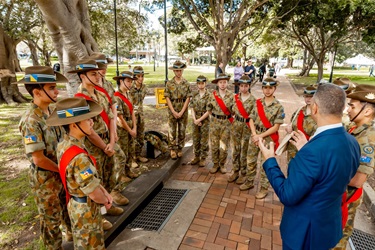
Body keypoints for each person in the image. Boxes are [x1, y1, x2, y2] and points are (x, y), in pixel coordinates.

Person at [258, 83, 360, 250]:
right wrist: (307, 149)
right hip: (328, 227)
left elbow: (287, 195)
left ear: (314, 108)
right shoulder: (352, 142)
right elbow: (332, 174)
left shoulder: (312, 152)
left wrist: (270, 161)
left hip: (304, 234)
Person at [68, 59, 128, 229]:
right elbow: (89, 129)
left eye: (98, 72)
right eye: (93, 73)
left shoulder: (100, 94)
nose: (98, 76)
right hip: (93, 144)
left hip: (107, 140)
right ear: (82, 76)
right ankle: (99, 215)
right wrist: (104, 146)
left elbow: (110, 117)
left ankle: (108, 203)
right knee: (96, 178)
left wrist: (112, 140)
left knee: (110, 171)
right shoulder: (79, 99)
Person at [17, 66, 72, 248]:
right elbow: (38, 159)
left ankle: (71, 236)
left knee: (66, 210)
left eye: (55, 87)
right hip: (45, 179)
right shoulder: (31, 120)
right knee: (51, 222)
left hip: (59, 171)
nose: (57, 91)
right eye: (51, 88)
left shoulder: (52, 111)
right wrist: (62, 170)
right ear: (37, 92)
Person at [46, 97, 112, 250]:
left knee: (82, 243)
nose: (92, 122)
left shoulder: (64, 144)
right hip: (86, 210)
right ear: (74, 125)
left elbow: (89, 181)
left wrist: (104, 190)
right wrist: (105, 200)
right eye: (87, 119)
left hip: (76, 204)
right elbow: (94, 193)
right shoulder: (80, 157)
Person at [333, 84, 375, 249]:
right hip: (340, 194)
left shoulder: (368, 139)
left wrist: (325, 172)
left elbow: (358, 180)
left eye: (352, 106)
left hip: (347, 198)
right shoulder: (356, 129)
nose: (347, 110)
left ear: (367, 111)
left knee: (337, 240)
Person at [240, 78, 285, 199]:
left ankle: (264, 188)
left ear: (274, 89)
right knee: (251, 160)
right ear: (262, 89)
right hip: (255, 136)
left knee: (265, 164)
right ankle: (249, 182)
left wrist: (260, 136)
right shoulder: (257, 102)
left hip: (268, 138)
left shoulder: (278, 107)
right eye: (265, 87)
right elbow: (251, 119)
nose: (268, 90)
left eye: (270, 88)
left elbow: (276, 127)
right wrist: (254, 134)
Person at [228, 75, 256, 184]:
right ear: (239, 86)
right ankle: (235, 171)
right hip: (236, 125)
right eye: (242, 86)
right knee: (235, 149)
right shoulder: (235, 98)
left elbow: (254, 116)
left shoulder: (253, 100)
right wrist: (232, 119)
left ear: (249, 86)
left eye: (246, 86)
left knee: (244, 150)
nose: (243, 88)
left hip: (247, 127)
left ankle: (243, 173)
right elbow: (229, 110)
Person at [164, 60, 192, 159]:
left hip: (183, 109)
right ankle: (172, 149)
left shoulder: (186, 83)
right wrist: (173, 111)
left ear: (182, 71)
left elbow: (188, 98)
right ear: (174, 71)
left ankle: (180, 148)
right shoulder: (169, 83)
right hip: (172, 108)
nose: (178, 72)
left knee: (182, 130)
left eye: (180, 70)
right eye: (176, 71)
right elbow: (167, 97)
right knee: (172, 130)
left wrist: (181, 112)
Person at [207, 73, 234, 174]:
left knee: (224, 146)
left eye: (224, 82)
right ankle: (215, 164)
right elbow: (209, 109)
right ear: (217, 84)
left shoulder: (231, 96)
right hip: (214, 123)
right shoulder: (212, 95)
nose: (223, 84)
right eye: (221, 82)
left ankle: (222, 164)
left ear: (227, 83)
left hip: (226, 123)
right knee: (214, 144)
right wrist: (215, 118)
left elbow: (233, 111)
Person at [113, 71, 138, 176]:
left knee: (130, 150)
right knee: (123, 150)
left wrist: (135, 127)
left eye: (131, 82)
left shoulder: (128, 94)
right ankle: (121, 175)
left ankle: (128, 171)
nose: (130, 84)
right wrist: (130, 130)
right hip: (123, 128)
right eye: (128, 81)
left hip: (131, 125)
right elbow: (120, 118)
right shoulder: (116, 97)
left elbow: (132, 111)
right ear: (121, 81)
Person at [285, 86, 317, 161]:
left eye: (311, 96)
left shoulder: (319, 114)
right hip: (293, 150)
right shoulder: (299, 111)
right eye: (306, 96)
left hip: (308, 150)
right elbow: (291, 123)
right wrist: (288, 128)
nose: (308, 99)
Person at [189, 75, 211, 167]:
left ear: (205, 84)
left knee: (204, 139)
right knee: (196, 138)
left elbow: (209, 110)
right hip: (195, 119)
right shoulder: (194, 94)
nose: (201, 85)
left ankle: (203, 158)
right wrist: (195, 119)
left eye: (202, 83)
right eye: (199, 83)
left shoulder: (209, 95)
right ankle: (196, 156)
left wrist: (200, 120)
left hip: (205, 119)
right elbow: (192, 108)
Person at [129, 66, 149, 163]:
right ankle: (132, 158)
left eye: (142, 76)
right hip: (132, 115)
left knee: (140, 135)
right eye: (138, 76)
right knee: (132, 137)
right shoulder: (130, 87)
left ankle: (138, 155)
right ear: (134, 77)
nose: (140, 78)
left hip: (140, 115)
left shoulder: (144, 88)